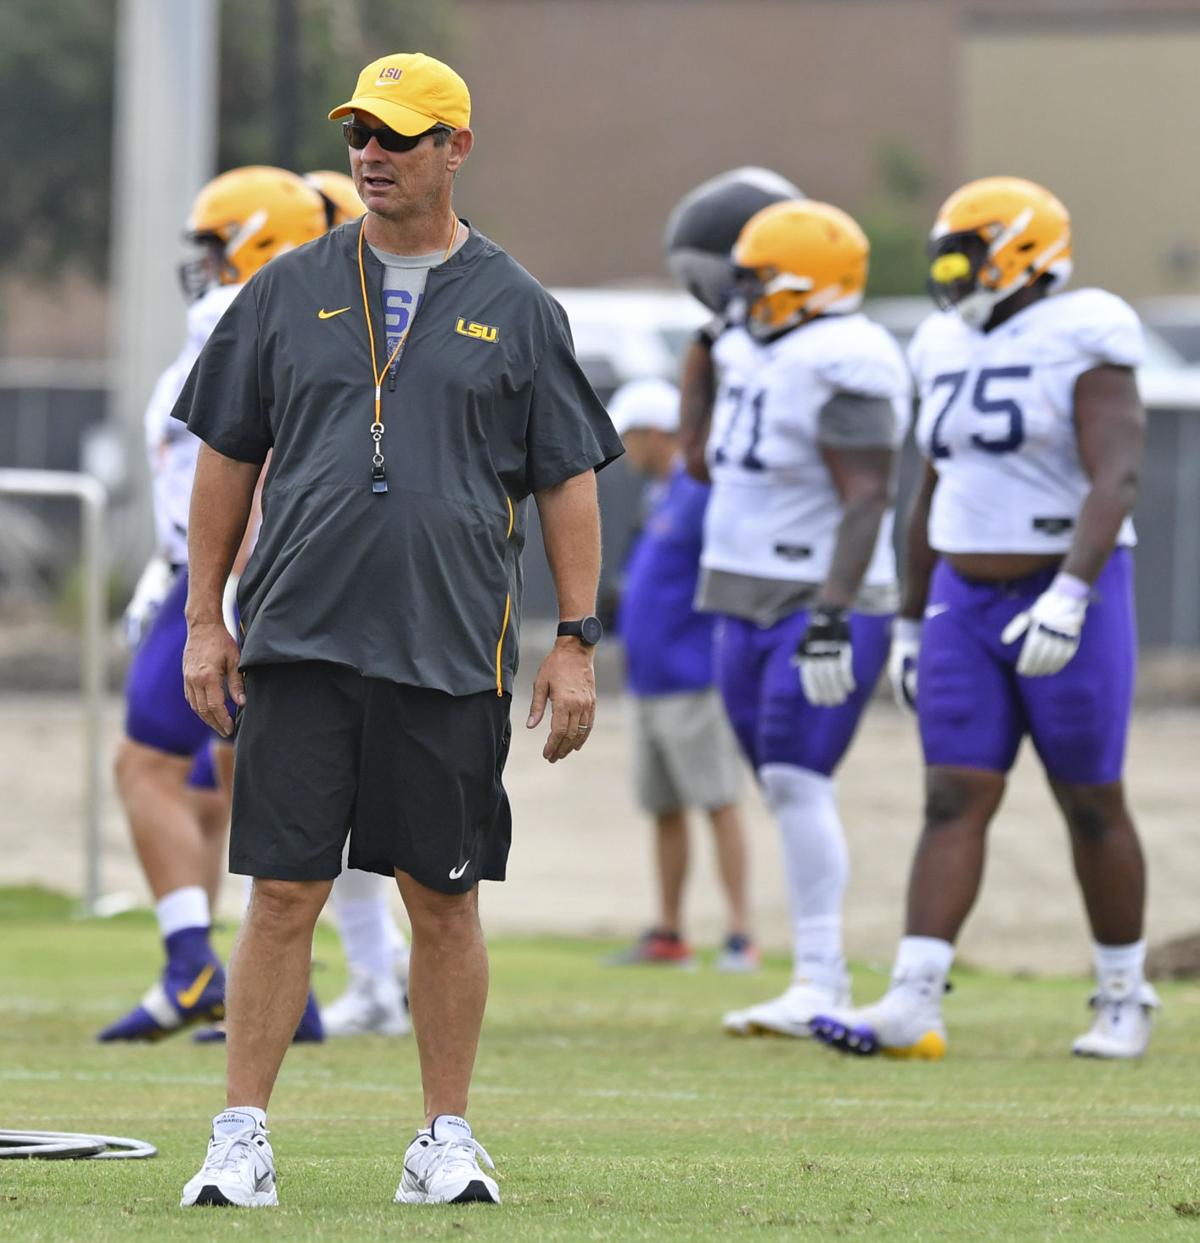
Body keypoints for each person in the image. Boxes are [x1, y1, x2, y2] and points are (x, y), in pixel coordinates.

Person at [174, 51, 622, 1209]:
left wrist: (577, 639)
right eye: (360, 135)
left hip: (449, 644)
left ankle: (444, 1138)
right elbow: (226, 455)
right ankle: (239, 1135)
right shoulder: (283, 289)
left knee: (444, 896)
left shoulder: (520, 306)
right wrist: (203, 618)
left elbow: (569, 478)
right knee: (282, 891)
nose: (371, 154)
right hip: (299, 640)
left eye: (398, 136)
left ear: (455, 148)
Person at [811, 176, 1159, 1061]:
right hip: (961, 596)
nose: (952, 272)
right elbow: (930, 486)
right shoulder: (941, 340)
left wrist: (1070, 594)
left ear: (1022, 253)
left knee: (1090, 798)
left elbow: (1116, 476)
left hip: (1069, 587)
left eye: (966, 253)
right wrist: (913, 620)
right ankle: (913, 998)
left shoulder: (1088, 329)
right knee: (952, 793)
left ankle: (1124, 993)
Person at [98, 167, 327, 1044]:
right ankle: (289, 994)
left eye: (212, 245)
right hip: (229, 576)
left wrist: (213, 594)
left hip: (228, 582)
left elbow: (251, 464)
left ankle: (192, 961)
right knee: (228, 780)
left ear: (253, 241)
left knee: (147, 765)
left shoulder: (240, 320)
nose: (201, 264)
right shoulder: (292, 317)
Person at [695, 200, 910, 1039]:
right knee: (779, 782)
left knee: (797, 778)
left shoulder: (845, 355)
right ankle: (816, 974)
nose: (744, 297)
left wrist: (833, 612)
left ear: (806, 286)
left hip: (817, 598)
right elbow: (700, 455)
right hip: (740, 593)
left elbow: (869, 495)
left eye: (758, 280)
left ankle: (821, 977)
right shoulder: (748, 347)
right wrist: (702, 354)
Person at [305, 167, 414, 1038]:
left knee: (377, 818)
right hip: (306, 603)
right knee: (314, 825)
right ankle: (378, 968)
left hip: (383, 608)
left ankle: (381, 970)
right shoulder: (288, 306)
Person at [604, 377, 755, 972]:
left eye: (631, 436)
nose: (625, 450)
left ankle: (740, 933)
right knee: (663, 807)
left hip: (694, 678)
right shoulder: (662, 493)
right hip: (649, 680)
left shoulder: (698, 489)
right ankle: (669, 931)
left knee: (718, 800)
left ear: (655, 433)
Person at [663, 167, 803, 485]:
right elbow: (696, 460)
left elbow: (697, 459)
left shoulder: (821, 347)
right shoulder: (732, 344)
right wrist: (707, 343)